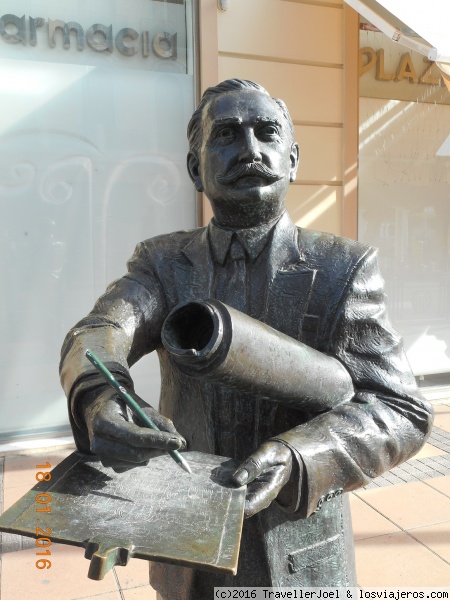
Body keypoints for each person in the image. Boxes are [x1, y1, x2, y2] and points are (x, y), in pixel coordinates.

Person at [60, 79, 433, 597]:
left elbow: (401, 409)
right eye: (227, 135)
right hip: (184, 555)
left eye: (267, 133)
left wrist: (303, 456)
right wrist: (101, 396)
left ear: (293, 159)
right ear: (196, 167)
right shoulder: (162, 263)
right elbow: (99, 331)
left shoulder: (342, 268)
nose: (250, 150)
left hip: (298, 554)